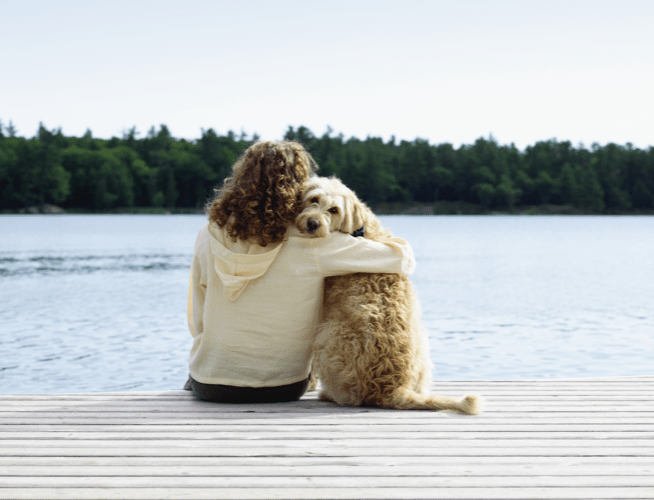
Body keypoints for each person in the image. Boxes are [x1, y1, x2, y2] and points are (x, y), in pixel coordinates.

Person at [185, 140, 415, 403]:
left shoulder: (208, 233)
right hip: (283, 386)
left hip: (211, 384)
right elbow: (402, 260)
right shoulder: (314, 242)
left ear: (240, 178)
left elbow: (197, 318)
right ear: (298, 186)